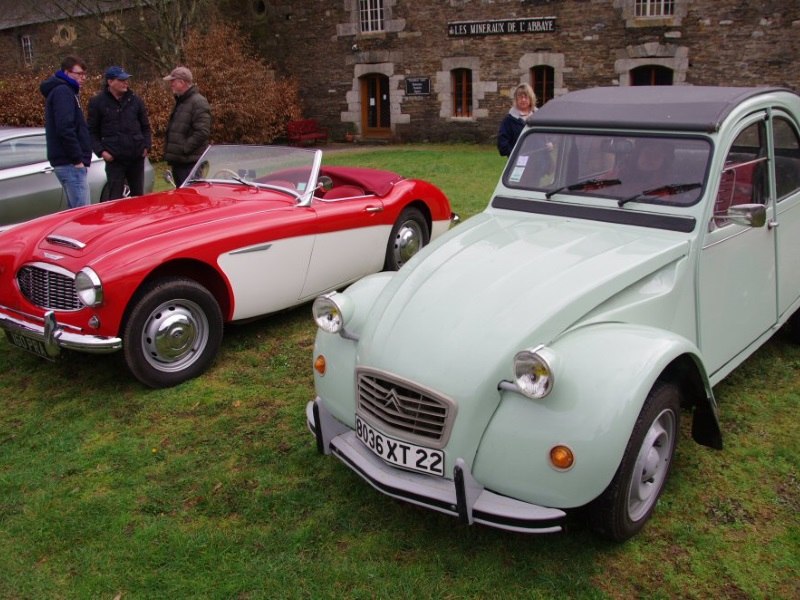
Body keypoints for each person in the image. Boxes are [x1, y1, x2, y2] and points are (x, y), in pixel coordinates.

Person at [87, 66, 152, 200]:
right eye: (121, 80)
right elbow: (92, 131)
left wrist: (146, 147)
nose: (125, 83)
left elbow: (145, 126)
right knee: (115, 198)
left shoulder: (136, 100)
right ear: (110, 82)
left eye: (126, 80)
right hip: (114, 159)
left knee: (138, 198)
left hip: (136, 157)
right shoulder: (97, 102)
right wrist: (102, 152)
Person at [39, 56, 92, 208]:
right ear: (67, 72)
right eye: (79, 74)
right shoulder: (63, 92)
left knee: (75, 211)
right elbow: (65, 128)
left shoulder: (67, 91)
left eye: (84, 74)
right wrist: (77, 159)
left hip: (69, 162)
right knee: (82, 212)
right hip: (70, 163)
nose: (83, 78)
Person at [162, 66, 211, 186]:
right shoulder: (181, 102)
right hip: (179, 162)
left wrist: (184, 149)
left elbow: (202, 132)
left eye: (173, 81)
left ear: (182, 82)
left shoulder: (198, 102)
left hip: (190, 163)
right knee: (181, 195)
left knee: (192, 195)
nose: (171, 84)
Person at [497, 83, 537, 157]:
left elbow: (546, 137)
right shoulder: (509, 120)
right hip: (519, 160)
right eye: (520, 97)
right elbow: (502, 144)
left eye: (526, 96)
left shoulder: (539, 117)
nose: (523, 99)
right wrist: (515, 154)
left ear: (531, 98)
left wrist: (549, 143)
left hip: (538, 159)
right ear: (516, 99)